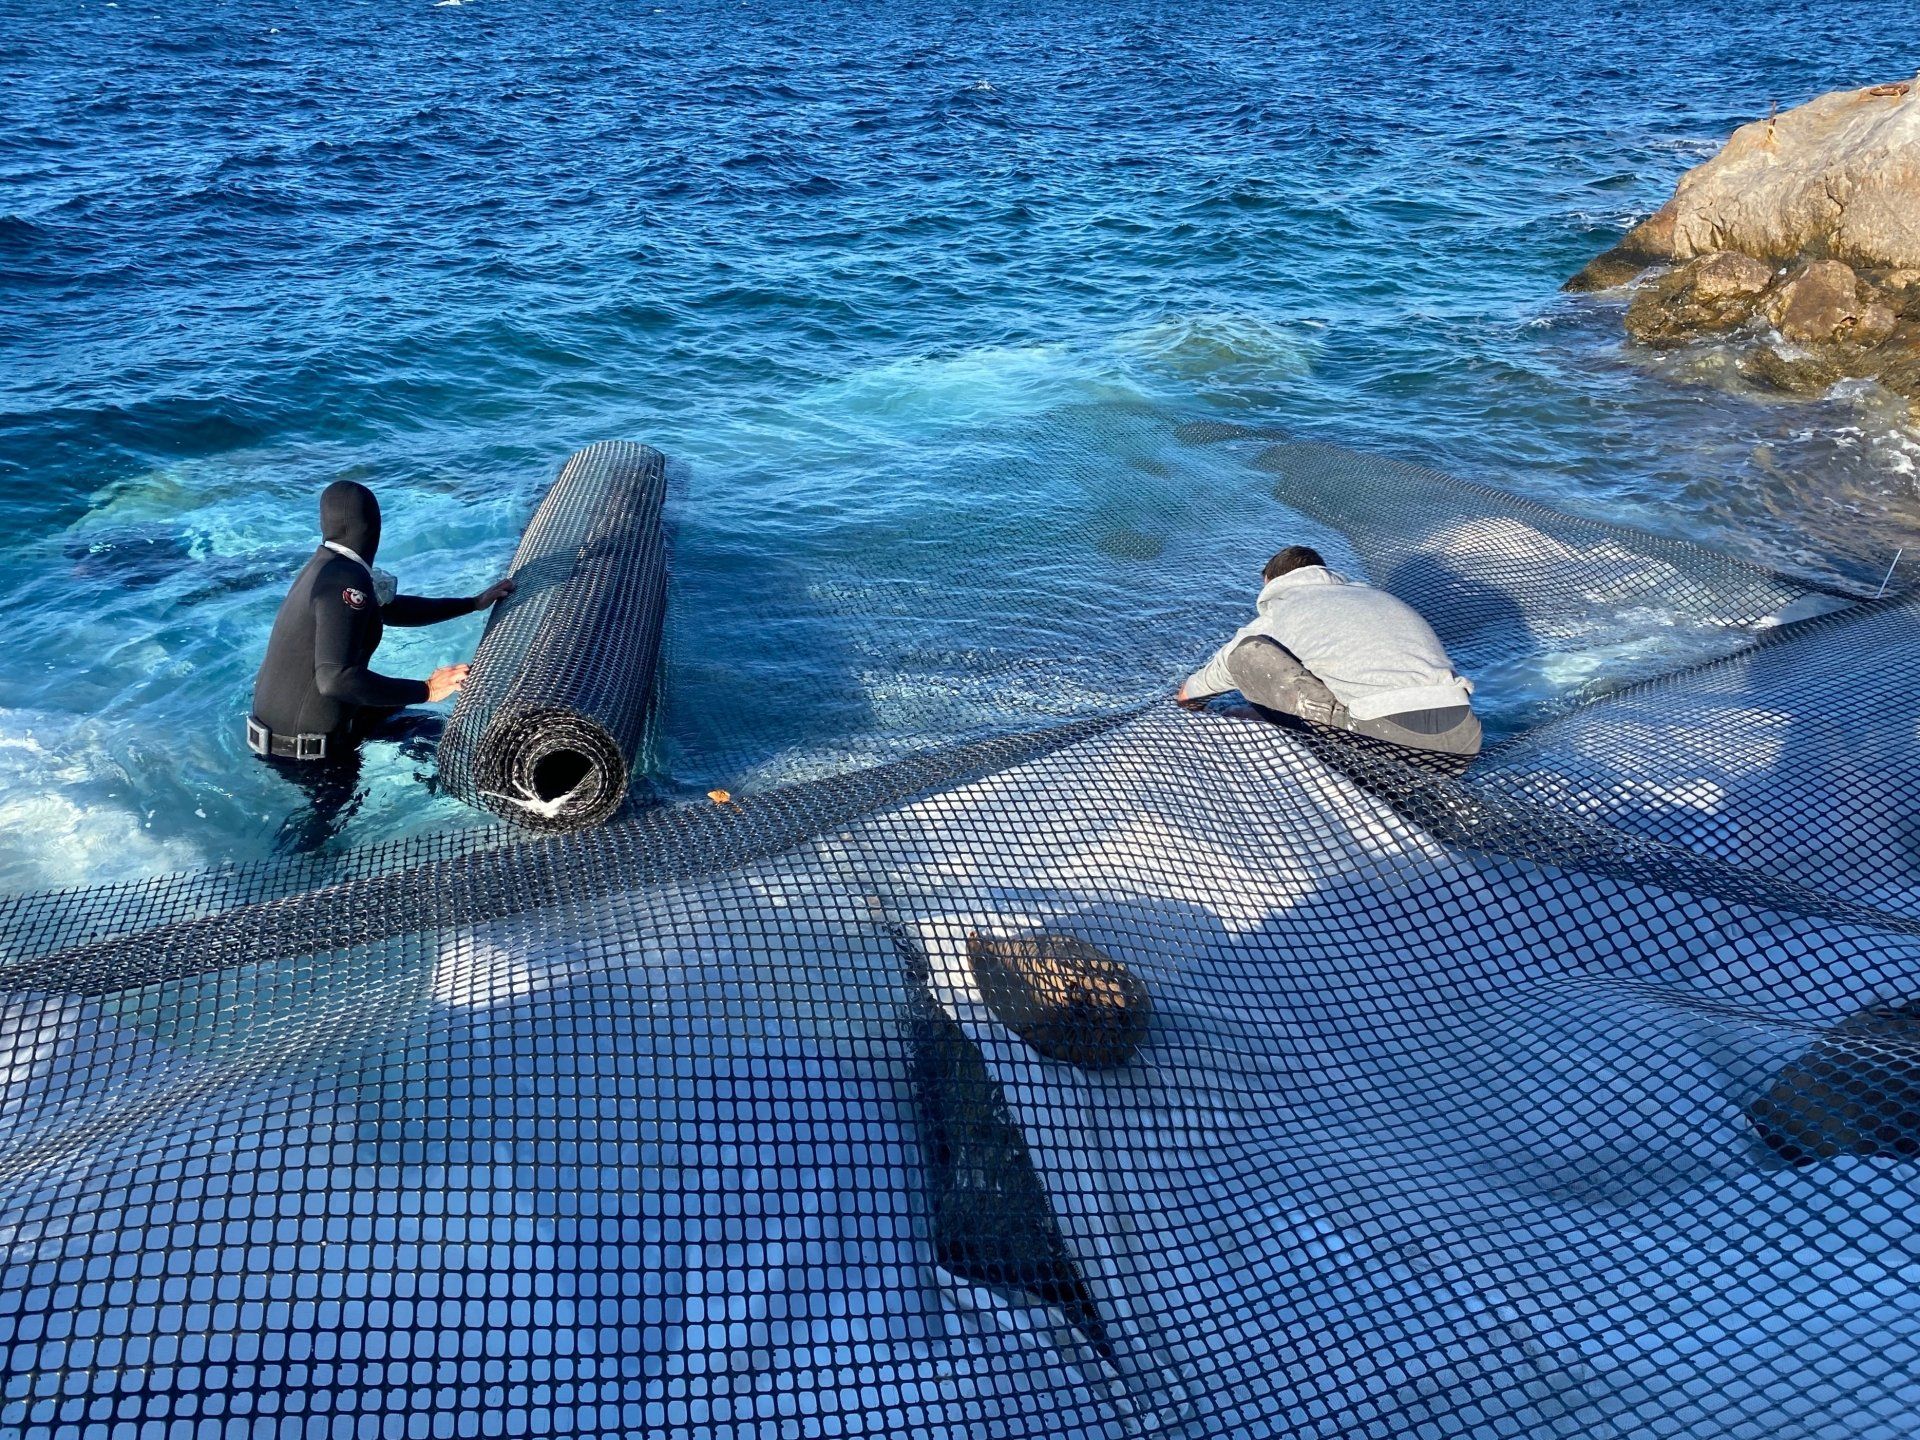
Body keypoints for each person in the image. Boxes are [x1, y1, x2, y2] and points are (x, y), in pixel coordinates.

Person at [248, 479, 515, 851]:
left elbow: (392, 608)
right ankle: (282, 893)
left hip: (297, 729)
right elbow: (336, 679)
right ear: (371, 526)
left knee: (426, 734)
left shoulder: (329, 568)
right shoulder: (345, 582)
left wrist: (472, 603)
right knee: (322, 834)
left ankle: (472, 801)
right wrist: (426, 689)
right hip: (308, 750)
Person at [1176, 545, 1480, 762]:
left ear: (1271, 581)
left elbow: (1224, 668)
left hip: (1388, 740)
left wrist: (1189, 699)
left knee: (1247, 654)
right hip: (1464, 739)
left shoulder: (1285, 609)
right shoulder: (1373, 596)